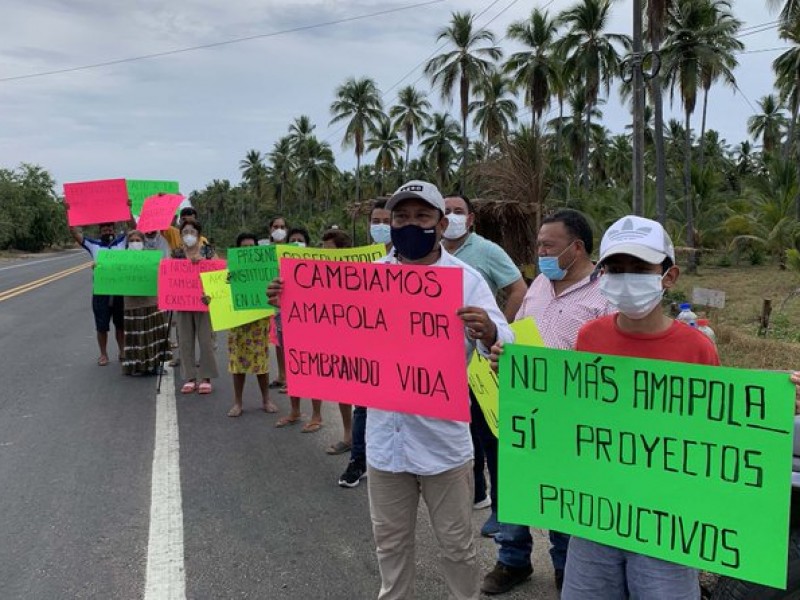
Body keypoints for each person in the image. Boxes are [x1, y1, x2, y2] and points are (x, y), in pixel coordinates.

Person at [482, 209, 614, 595]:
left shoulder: (605, 295)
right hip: (523, 405)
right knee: (514, 485)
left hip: (572, 413)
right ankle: (512, 560)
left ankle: (565, 565)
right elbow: (517, 331)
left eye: (547, 245)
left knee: (562, 491)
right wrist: (500, 350)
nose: (539, 251)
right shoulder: (540, 283)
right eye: (539, 244)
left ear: (576, 248)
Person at [442, 193, 528, 538]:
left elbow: (519, 288)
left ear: (471, 219)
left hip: (482, 360)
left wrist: (496, 331)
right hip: (445, 364)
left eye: (458, 211)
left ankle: (499, 509)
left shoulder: (486, 251)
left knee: (491, 435)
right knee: (465, 432)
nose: (452, 217)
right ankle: (474, 492)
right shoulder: (428, 255)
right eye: (445, 212)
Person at [339, 198, 393, 487]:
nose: (381, 227)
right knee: (362, 407)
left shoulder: (410, 260)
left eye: (387, 221)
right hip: (367, 347)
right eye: (376, 221)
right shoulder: (359, 262)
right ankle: (358, 461)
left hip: (399, 351)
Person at [274, 224, 324, 432]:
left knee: (312, 369)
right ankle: (294, 411)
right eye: (292, 240)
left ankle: (317, 415)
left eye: (300, 240)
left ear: (308, 245)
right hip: (285, 321)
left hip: (311, 325)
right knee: (293, 368)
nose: (296, 244)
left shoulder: (317, 266)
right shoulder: (279, 266)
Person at [225, 232, 277, 417]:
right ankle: (238, 403)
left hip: (258, 322)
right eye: (243, 248)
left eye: (250, 247)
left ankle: (266, 400)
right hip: (237, 322)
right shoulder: (230, 272)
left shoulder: (264, 271)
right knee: (238, 364)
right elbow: (220, 293)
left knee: (261, 363)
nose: (247, 251)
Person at [70, 220, 128, 366]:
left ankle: (122, 351)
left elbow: (135, 228)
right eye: (104, 228)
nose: (107, 230)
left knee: (120, 325)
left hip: (120, 291)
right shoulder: (93, 244)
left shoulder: (121, 242)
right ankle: (103, 354)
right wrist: (69, 214)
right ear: (100, 230)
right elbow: (75, 233)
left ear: (114, 229)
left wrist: (128, 209)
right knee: (101, 326)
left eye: (110, 227)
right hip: (101, 292)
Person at [320, 228, 356, 455]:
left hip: (365, 342)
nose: (326, 257)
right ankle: (348, 435)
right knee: (344, 390)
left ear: (344, 251)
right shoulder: (318, 276)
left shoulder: (362, 272)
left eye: (330, 252)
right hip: (339, 341)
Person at [172, 219, 219, 394]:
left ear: (198, 235)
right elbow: (169, 277)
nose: (188, 235)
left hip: (204, 302)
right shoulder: (176, 254)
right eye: (185, 232)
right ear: (180, 235)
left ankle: (206, 377)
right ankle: (190, 377)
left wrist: (205, 262)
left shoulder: (208, 251)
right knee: (184, 341)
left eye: (192, 232)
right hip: (183, 303)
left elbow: (219, 272)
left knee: (206, 340)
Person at [121, 230, 171, 376]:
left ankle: (156, 365)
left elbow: (164, 270)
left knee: (155, 335)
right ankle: (136, 366)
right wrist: (98, 267)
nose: (135, 243)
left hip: (152, 302)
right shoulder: (122, 258)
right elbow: (109, 269)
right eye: (132, 240)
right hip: (132, 303)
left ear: (143, 242)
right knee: (135, 335)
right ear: (127, 243)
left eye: (138, 240)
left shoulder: (152, 256)